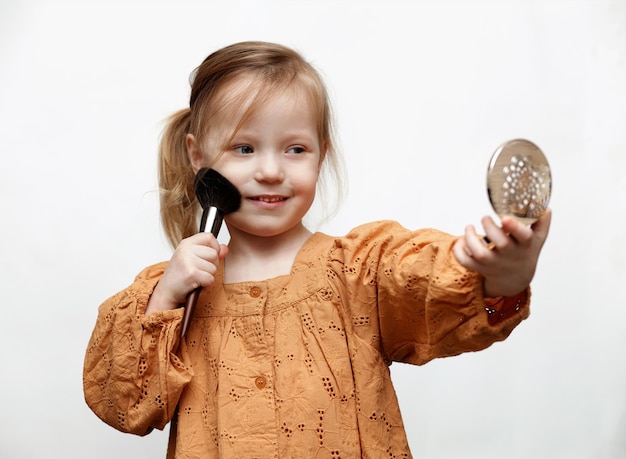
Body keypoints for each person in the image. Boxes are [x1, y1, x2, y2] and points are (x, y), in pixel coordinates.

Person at [83, 41, 551, 458]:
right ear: (198, 156)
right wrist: (165, 300)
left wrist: (502, 274)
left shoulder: (357, 269)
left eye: (295, 149)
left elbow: (422, 280)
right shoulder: (169, 293)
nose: (270, 170)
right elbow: (124, 405)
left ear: (321, 154)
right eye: (244, 148)